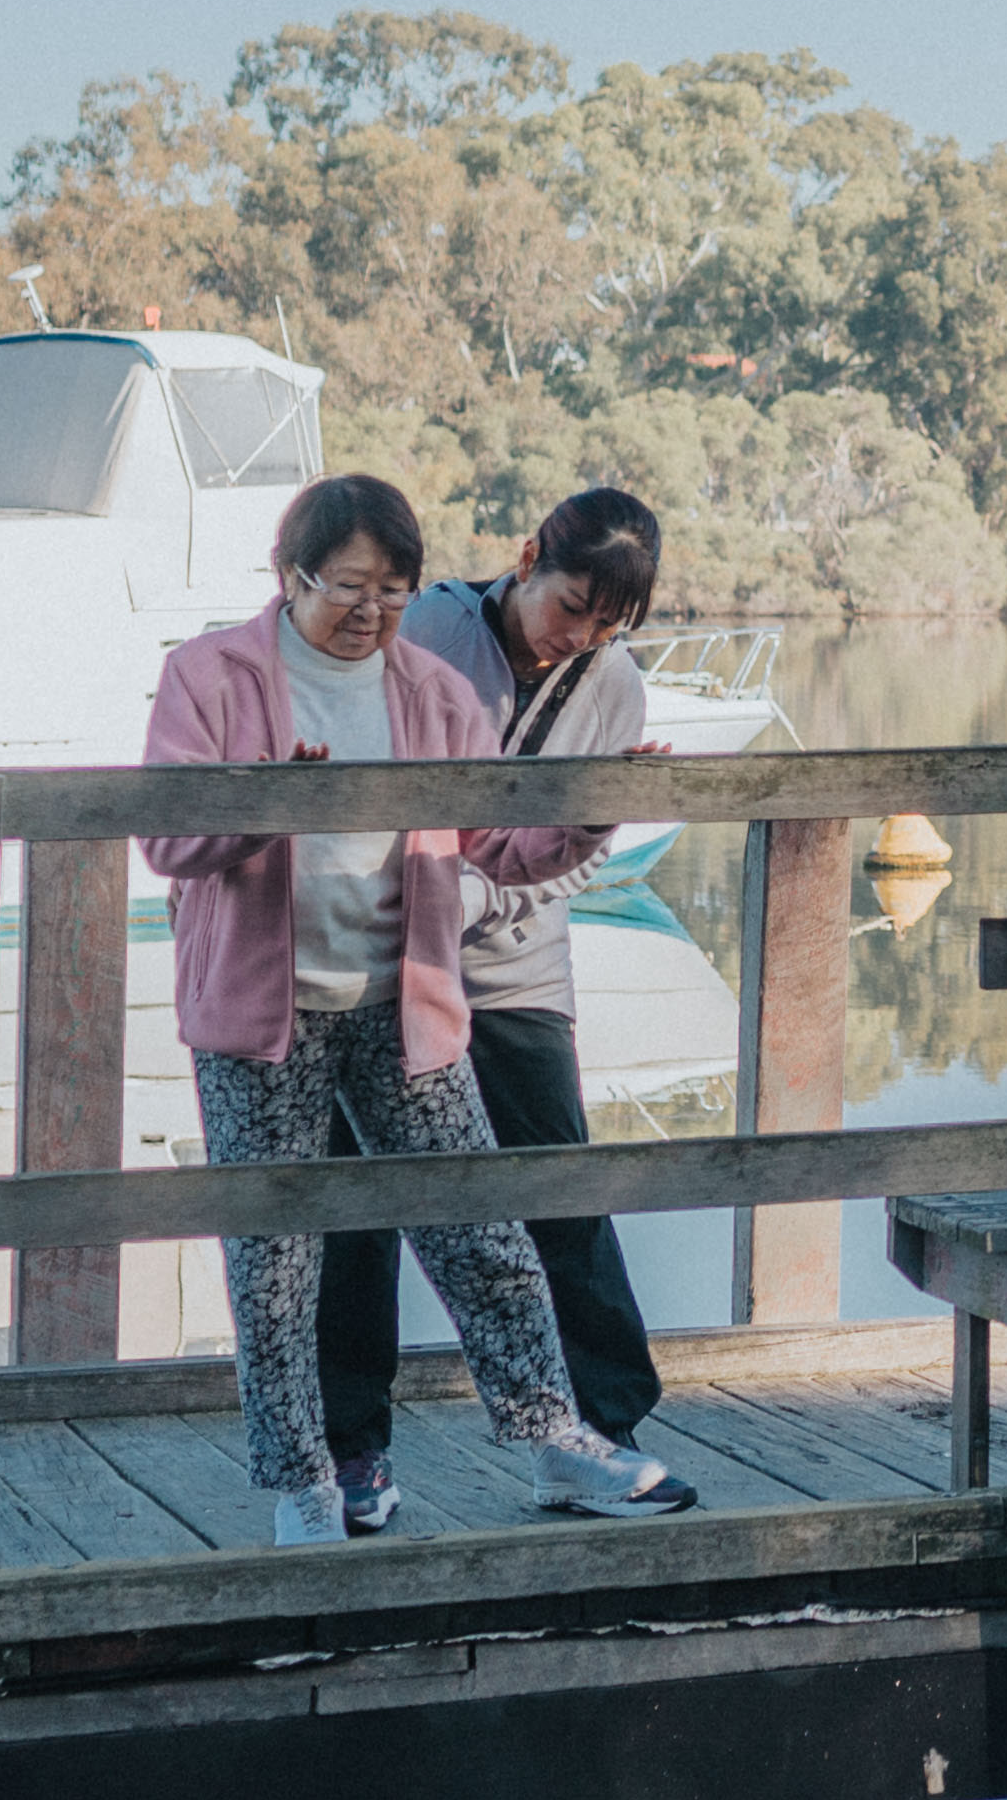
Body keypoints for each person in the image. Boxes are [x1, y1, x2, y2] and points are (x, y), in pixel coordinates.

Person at [140, 474, 694, 1544]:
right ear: (291, 574)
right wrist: (267, 802)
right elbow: (166, 839)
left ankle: (558, 1440)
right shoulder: (208, 674)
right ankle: (307, 1483)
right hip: (263, 1018)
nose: (372, 610)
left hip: (406, 1006)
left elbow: (498, 846)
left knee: (485, 1231)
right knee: (275, 1268)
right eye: (349, 586)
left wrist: (592, 816)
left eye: (392, 590)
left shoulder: (432, 691)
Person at [310, 484, 674, 1536]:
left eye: (607, 625)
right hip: (382, 961)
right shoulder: (425, 629)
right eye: (572, 606)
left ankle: (601, 1427)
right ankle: (352, 1446)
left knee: (557, 1185)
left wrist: (484, 898)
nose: (580, 637)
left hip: (516, 965)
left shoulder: (613, 685)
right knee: (356, 1204)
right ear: (524, 561)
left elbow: (583, 849)